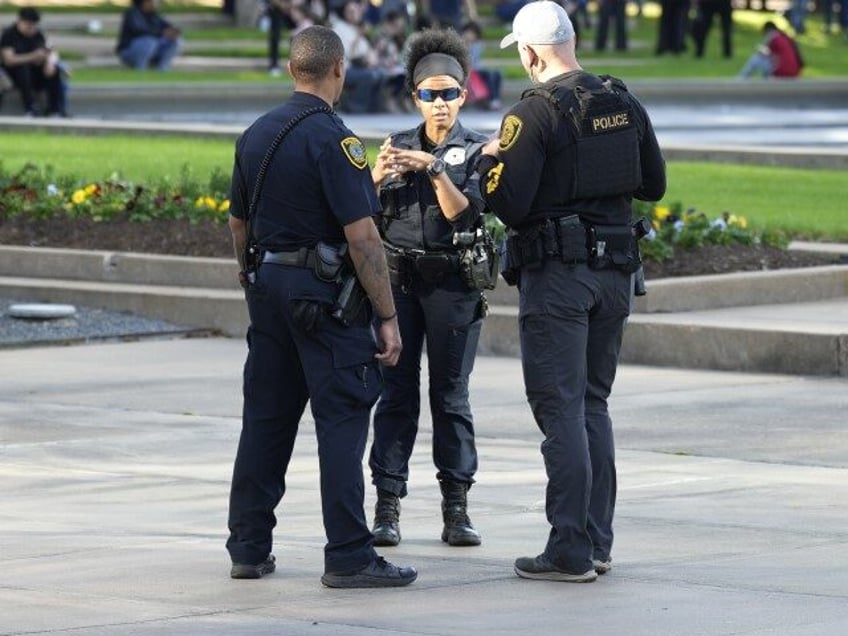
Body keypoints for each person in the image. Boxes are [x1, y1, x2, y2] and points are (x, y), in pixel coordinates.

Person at [476, 0, 666, 582]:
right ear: (573, 42)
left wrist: (491, 160)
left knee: (560, 409)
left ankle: (569, 549)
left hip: (559, 279)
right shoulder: (621, 101)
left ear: (530, 54)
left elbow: (506, 201)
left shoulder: (533, 113)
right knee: (592, 405)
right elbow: (653, 184)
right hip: (615, 273)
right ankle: (597, 541)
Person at [225, 24, 417, 589]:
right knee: (342, 421)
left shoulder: (255, 134)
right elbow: (362, 238)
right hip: (325, 301)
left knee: (265, 420)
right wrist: (386, 314)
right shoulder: (337, 141)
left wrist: (249, 276)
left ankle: (249, 547)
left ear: (292, 70)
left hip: (268, 292)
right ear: (338, 70)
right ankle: (351, 555)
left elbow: (238, 222)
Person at [367, 28, 490, 549]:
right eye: (428, 94)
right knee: (395, 396)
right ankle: (387, 505)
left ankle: (456, 508)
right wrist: (373, 178)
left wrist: (436, 169)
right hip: (399, 285)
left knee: (450, 396)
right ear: (413, 97)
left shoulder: (480, 150)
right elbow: (364, 217)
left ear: (464, 95)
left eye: (448, 93)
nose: (438, 105)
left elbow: (468, 218)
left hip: (453, 284)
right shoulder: (396, 147)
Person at [0, 7, 69, 117]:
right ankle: (30, 108)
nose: (31, 28)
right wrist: (32, 56)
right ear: (20, 21)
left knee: (55, 71)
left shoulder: (37, 35)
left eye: (33, 25)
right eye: (28, 25)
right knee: (22, 69)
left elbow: (50, 50)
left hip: (36, 73)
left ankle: (55, 110)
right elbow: (9, 60)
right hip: (15, 75)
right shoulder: (9, 35)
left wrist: (49, 63)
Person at [116, 0, 182, 71]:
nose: (155, 3)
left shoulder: (154, 15)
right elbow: (139, 30)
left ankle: (162, 70)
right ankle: (140, 69)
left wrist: (173, 32)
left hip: (152, 50)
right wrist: (162, 33)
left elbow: (167, 26)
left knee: (175, 41)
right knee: (149, 41)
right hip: (129, 51)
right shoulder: (132, 13)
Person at [738, 21, 803, 79]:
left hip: (783, 72)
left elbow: (767, 53)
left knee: (756, 58)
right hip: (795, 72)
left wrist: (759, 49)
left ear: (767, 30)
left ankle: (740, 80)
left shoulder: (773, 36)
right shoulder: (785, 37)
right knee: (768, 61)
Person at [461, 20, 503, 110]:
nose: (470, 35)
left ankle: (495, 100)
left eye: (472, 33)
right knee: (490, 76)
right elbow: (468, 62)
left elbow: (478, 60)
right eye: (468, 32)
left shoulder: (479, 45)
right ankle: (490, 100)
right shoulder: (460, 45)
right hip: (469, 72)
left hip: (478, 70)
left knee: (496, 74)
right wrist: (467, 44)